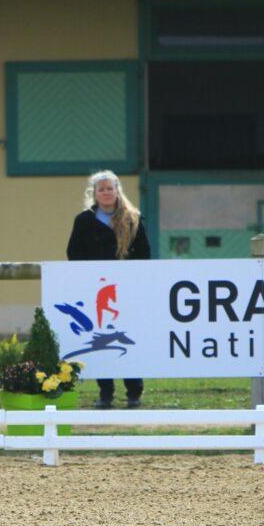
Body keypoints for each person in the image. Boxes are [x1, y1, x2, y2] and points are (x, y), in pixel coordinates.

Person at [66, 170, 151, 409]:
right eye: (101, 189)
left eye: (109, 188)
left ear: (117, 191)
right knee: (101, 339)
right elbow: (74, 253)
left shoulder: (133, 219)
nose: (106, 192)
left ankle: (134, 390)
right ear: (94, 193)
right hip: (97, 291)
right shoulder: (84, 220)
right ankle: (106, 391)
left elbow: (144, 253)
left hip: (126, 291)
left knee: (127, 338)